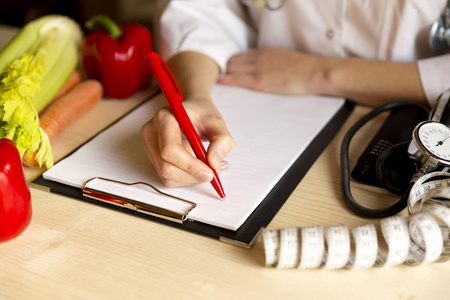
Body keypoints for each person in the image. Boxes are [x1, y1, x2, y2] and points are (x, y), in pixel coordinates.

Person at [142, 0, 450, 188]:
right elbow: (197, 9)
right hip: (256, 91)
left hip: (410, 119)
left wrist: (321, 73)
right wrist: (196, 96)